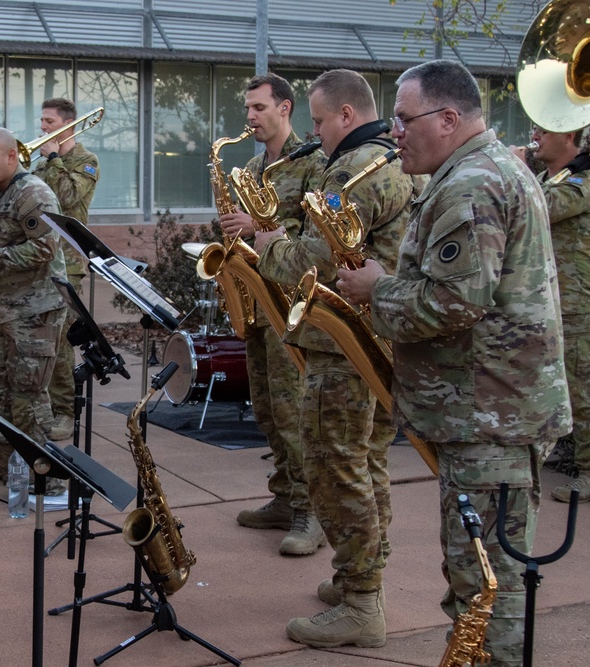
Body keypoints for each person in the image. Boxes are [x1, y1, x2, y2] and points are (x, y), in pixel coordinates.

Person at [337, 59, 572, 666]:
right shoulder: (478, 171)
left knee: (486, 582)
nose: (393, 130)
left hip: (490, 416)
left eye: (403, 117)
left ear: (447, 118)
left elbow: (455, 301)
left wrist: (376, 289)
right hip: (489, 411)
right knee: (482, 574)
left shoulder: (472, 184)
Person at [251, 69, 419, 647]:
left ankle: (360, 601)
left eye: (319, 121)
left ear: (346, 115)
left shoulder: (351, 170)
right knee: (367, 463)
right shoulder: (389, 160)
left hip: (343, 343)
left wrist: (270, 242)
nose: (315, 131)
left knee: (334, 465)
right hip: (377, 339)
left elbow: (315, 262)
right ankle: (362, 576)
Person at [219, 73, 327, 556]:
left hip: (293, 305)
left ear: (285, 108)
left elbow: (318, 234)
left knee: (293, 412)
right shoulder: (251, 166)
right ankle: (284, 497)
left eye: (259, 108)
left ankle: (311, 511)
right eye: (247, 109)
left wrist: (260, 224)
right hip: (258, 303)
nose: (250, 117)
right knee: (265, 408)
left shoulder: (312, 162)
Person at [0, 128, 66, 481]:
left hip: (37, 310)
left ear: (11, 156)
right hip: (6, 307)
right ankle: (3, 457)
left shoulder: (35, 194)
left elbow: (46, 248)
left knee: (29, 395)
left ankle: (42, 474)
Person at [510, 124, 590, 504]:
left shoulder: (582, 182)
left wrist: (517, 171)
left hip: (579, 307)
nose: (535, 136)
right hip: (553, 304)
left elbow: (539, 207)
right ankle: (568, 451)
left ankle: (589, 472)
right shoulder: (551, 176)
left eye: (544, 131)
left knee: (582, 390)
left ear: (570, 138)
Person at [30, 98, 100, 440]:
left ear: (69, 125)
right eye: (42, 120)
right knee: (35, 339)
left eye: (49, 121)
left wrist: (54, 159)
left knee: (59, 343)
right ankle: (40, 405)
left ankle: (65, 413)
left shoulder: (85, 161)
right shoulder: (42, 163)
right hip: (37, 258)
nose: (43, 126)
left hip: (67, 263)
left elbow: (70, 199)